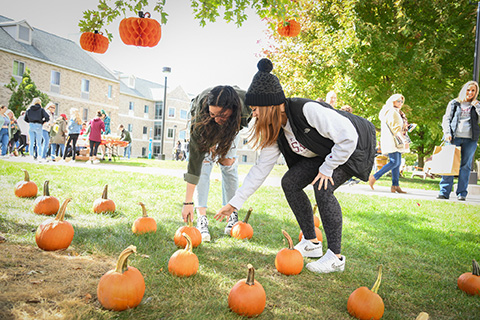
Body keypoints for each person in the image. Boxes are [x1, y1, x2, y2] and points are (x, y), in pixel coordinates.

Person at [214, 59, 376, 273]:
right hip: (325, 153)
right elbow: (261, 170)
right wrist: (235, 203)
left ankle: (335, 257)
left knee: (323, 186)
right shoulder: (276, 129)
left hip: (352, 147)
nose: (253, 114)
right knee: (290, 182)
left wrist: (327, 169)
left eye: (255, 109)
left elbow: (347, 137)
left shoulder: (307, 109)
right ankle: (311, 242)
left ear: (269, 105)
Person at [182, 85, 251, 242]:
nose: (216, 118)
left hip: (232, 124)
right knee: (205, 161)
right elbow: (194, 163)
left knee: (228, 162)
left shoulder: (247, 105)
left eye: (221, 114)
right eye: (213, 113)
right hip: (204, 124)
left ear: (232, 109)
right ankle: (201, 218)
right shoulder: (202, 114)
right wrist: (188, 202)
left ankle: (232, 212)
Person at [437, 80, 480, 201]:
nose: (470, 92)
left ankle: (461, 193)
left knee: (465, 166)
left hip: (470, 139)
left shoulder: (476, 105)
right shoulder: (454, 103)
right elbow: (446, 119)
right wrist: (447, 133)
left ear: (476, 93)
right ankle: (444, 192)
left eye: (473, 91)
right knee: (449, 164)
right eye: (468, 89)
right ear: (464, 90)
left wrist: (476, 105)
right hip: (453, 138)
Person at [368, 94, 410, 194]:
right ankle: (374, 177)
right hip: (393, 140)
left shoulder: (396, 112)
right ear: (393, 101)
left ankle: (395, 185)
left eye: (402, 101)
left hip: (395, 140)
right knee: (394, 162)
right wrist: (404, 140)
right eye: (398, 101)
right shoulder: (392, 112)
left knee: (397, 163)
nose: (401, 103)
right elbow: (395, 128)